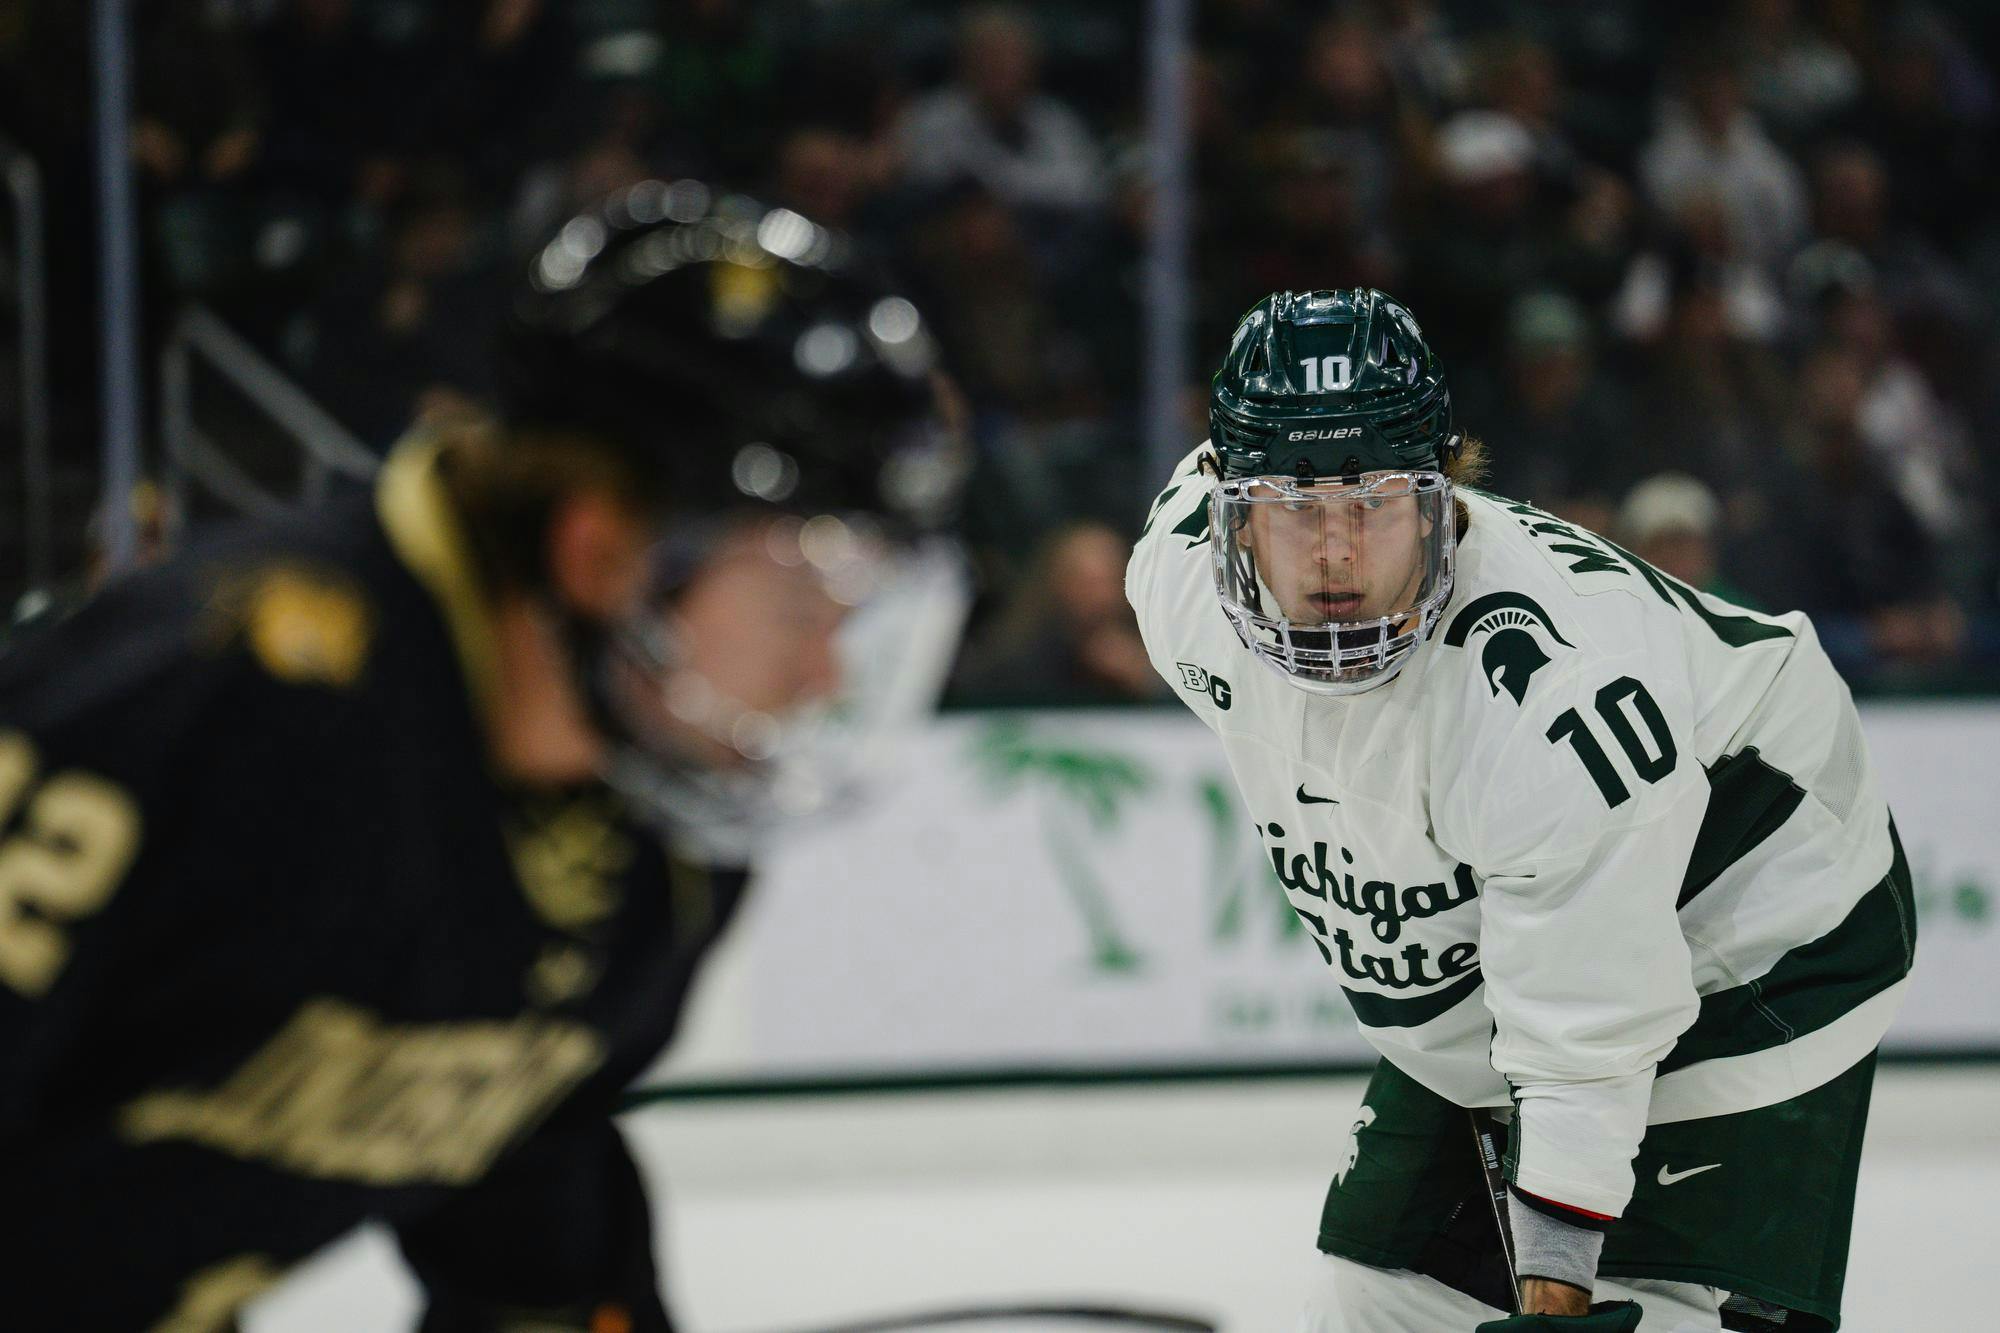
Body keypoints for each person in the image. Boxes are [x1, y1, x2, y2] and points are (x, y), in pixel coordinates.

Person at [0, 185, 963, 1331]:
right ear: (602, 552)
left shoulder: (654, 848)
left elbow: (525, 1179)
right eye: (802, 603)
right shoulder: (210, 693)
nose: (824, 678)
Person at [1126, 289, 1912, 1332]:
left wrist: (1553, 1290)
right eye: (1291, 507)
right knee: (1375, 1288)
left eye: (1371, 504)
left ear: (1442, 497)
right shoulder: (1175, 592)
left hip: (1761, 922)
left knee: (1664, 1309)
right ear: (1225, 517)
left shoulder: (1547, 706)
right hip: (1529, 938)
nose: (1330, 553)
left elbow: (1585, 1037)